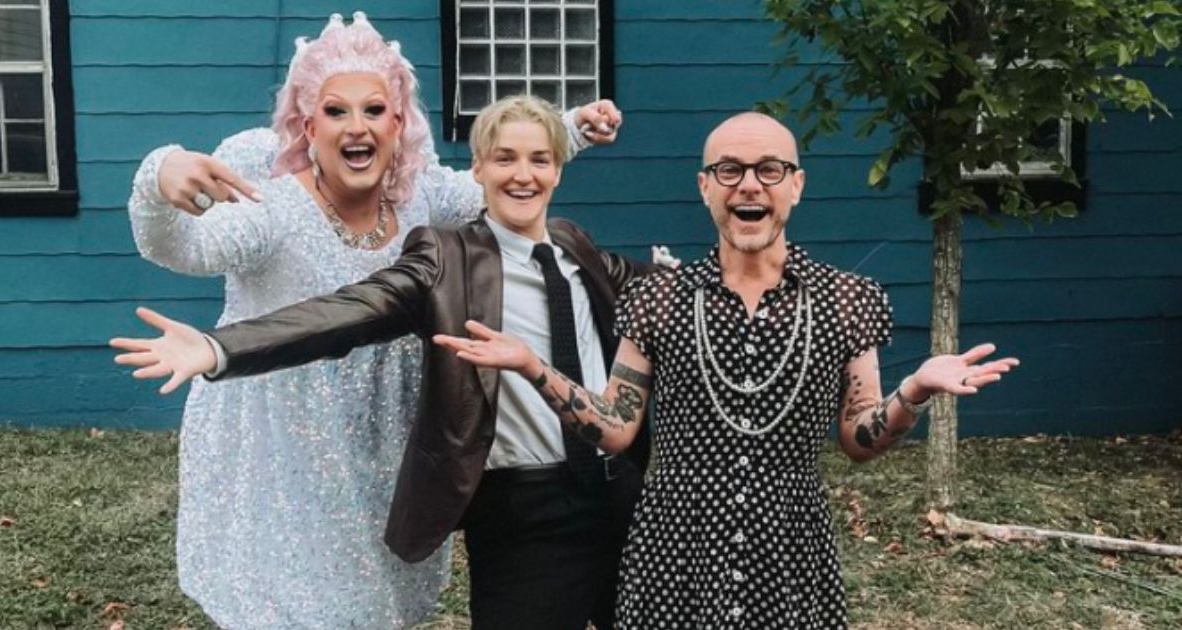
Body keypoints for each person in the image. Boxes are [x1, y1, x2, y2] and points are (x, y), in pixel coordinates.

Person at [124, 12, 623, 630]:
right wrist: (159, 175)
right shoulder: (271, 206)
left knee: (375, 601)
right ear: (309, 127)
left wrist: (572, 127)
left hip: (387, 438)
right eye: (336, 112)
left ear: (398, 124)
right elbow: (183, 248)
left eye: (374, 111)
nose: (356, 127)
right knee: (304, 604)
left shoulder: (420, 196)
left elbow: (499, 179)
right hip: (285, 444)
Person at [432, 111, 1021, 629]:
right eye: (729, 170)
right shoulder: (659, 300)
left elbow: (860, 438)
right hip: (675, 549)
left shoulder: (848, 299)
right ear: (705, 187)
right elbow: (615, 426)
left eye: (769, 169)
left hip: (788, 546)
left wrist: (913, 390)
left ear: (796, 185)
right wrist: (536, 367)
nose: (749, 185)